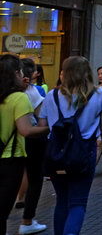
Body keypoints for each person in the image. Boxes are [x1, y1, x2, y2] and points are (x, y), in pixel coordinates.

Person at [38, 56, 102, 235]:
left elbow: (42, 127)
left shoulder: (52, 96)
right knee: (78, 202)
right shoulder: (100, 95)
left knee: (62, 201)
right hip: (84, 153)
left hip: (57, 154)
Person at [16, 58, 48, 234]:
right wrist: (46, 130)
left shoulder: (8, 93)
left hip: (11, 144)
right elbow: (39, 118)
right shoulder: (29, 93)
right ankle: (27, 221)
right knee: (35, 179)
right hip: (30, 141)